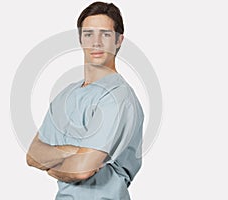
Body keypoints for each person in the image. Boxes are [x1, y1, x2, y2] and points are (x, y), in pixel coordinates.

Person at [26, 2, 144, 199]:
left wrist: (52, 167)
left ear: (119, 40)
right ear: (80, 38)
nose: (96, 42)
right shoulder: (66, 95)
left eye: (105, 34)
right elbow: (32, 155)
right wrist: (71, 153)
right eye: (89, 34)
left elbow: (81, 170)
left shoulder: (117, 97)